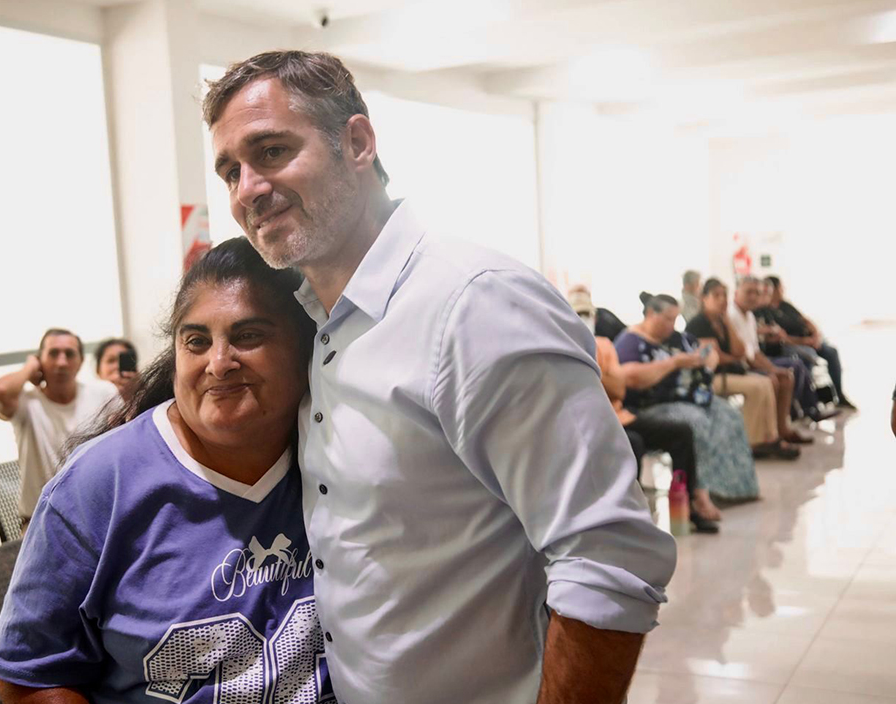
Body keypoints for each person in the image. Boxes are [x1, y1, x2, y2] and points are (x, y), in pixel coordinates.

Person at [206, 50, 676, 704]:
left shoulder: (474, 304)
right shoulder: (314, 323)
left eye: (272, 151)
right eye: (231, 170)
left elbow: (607, 558)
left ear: (358, 143)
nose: (248, 189)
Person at [0, 239, 333, 703]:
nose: (218, 363)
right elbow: (29, 674)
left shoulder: (340, 454)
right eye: (196, 341)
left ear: (307, 344)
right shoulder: (98, 485)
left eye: (248, 335)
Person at [568, 288, 720, 531]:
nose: (583, 320)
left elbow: (618, 389)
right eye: (577, 315)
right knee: (633, 443)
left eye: (586, 315)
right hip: (584, 423)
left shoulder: (603, 346)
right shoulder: (562, 351)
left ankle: (687, 508)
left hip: (618, 416)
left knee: (681, 433)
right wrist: (598, 375)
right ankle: (631, 518)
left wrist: (586, 371)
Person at [615, 294, 760, 503]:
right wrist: (673, 363)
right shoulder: (629, 342)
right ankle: (700, 493)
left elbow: (707, 352)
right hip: (650, 406)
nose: (671, 325)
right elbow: (630, 378)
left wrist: (707, 359)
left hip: (687, 399)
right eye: (668, 319)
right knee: (696, 422)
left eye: (675, 319)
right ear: (651, 314)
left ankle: (736, 488)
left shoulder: (677, 338)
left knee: (730, 416)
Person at [0, 329, 115, 524]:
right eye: (53, 353)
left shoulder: (103, 393)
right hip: (40, 520)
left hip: (93, 516)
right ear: (41, 360)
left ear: (80, 361)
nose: (61, 362)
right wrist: (30, 367)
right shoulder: (26, 403)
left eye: (69, 354)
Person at [685, 278, 803, 459]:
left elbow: (739, 351)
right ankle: (751, 440)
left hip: (730, 372)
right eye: (716, 295)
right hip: (708, 378)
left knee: (765, 382)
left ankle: (769, 436)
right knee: (758, 386)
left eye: (724, 295)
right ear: (704, 298)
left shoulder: (722, 321)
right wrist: (732, 357)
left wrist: (727, 323)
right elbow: (715, 358)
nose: (722, 300)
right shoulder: (698, 323)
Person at [728, 277, 824, 424]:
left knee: (789, 372)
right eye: (749, 292)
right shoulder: (732, 315)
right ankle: (788, 416)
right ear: (736, 293)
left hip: (758, 359)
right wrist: (772, 369)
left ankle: (789, 419)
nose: (753, 297)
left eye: (757, 293)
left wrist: (773, 368)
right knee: (783, 372)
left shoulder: (749, 315)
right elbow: (747, 357)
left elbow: (755, 352)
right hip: (740, 367)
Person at [763, 275, 854, 410]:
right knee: (808, 356)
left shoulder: (786, 306)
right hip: (794, 345)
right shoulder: (766, 311)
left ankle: (839, 395)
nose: (783, 290)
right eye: (781, 287)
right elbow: (782, 338)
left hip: (809, 341)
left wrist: (816, 335)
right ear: (773, 290)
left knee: (831, 352)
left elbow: (806, 320)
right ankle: (809, 403)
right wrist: (805, 342)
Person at [94, 337, 139, 405]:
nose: (117, 366)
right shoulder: (89, 400)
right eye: (111, 360)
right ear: (97, 369)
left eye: (124, 360)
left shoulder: (146, 402)